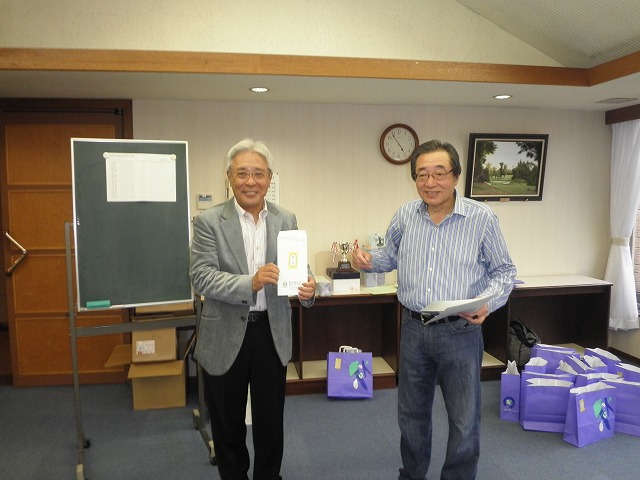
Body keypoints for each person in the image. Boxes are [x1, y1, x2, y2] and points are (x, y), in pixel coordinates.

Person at [351, 139, 517, 480]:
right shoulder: (405, 215)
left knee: (464, 418)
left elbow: (504, 271)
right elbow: (389, 257)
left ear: (455, 176)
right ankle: (412, 474)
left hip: (461, 330)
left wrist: (488, 303)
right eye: (422, 174)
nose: (430, 182)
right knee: (410, 414)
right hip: (413, 329)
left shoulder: (481, 218)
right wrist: (365, 260)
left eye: (439, 173)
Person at [190, 138, 316, 480]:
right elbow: (201, 277)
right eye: (242, 173)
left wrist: (308, 288)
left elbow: (299, 269)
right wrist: (252, 282)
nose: (250, 181)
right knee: (227, 425)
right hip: (224, 334)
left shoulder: (286, 218)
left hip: (271, 334)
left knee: (270, 424)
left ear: (269, 178)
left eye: (258, 173)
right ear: (229, 177)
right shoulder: (209, 221)